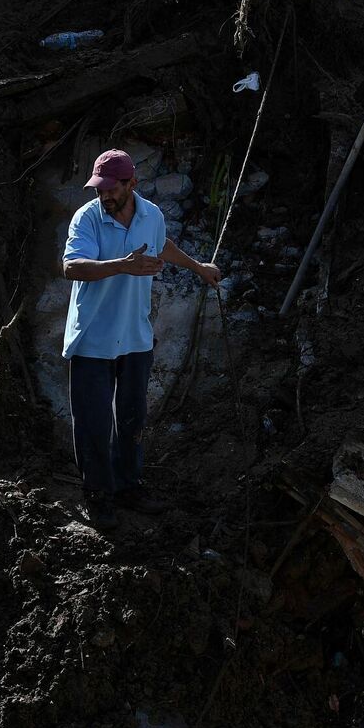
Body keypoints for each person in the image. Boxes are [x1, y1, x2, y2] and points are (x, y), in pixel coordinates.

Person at [62, 149, 221, 530]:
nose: (104, 195)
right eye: (99, 188)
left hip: (135, 337)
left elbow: (161, 244)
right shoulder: (87, 218)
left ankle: (128, 486)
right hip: (93, 339)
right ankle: (98, 496)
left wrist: (199, 268)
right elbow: (71, 267)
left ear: (132, 183)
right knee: (93, 423)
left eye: (111, 188)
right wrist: (123, 266)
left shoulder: (151, 214)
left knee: (133, 418)